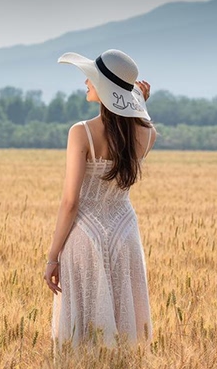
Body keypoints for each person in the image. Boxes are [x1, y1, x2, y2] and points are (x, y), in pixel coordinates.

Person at [44, 49, 156, 348]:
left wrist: (52, 257)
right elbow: (136, 126)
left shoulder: (81, 132)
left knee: (82, 338)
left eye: (91, 78)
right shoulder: (148, 135)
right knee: (124, 330)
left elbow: (70, 202)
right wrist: (141, 106)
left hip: (85, 237)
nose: (85, 83)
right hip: (126, 235)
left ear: (105, 89)